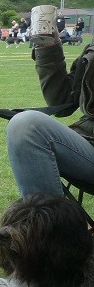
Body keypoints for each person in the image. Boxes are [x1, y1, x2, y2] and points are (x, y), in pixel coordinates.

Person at [6, 22, 94, 197]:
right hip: (89, 144)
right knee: (26, 125)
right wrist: (49, 49)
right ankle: (47, 221)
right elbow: (63, 100)